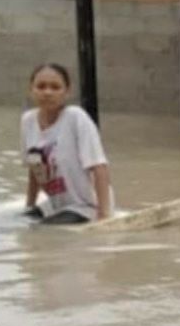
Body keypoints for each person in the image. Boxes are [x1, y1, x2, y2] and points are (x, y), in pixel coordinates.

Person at [21, 64, 113, 225]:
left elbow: (99, 167)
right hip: (56, 205)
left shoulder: (76, 118)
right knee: (18, 223)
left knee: (40, 231)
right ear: (31, 89)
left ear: (67, 91)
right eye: (41, 86)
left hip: (85, 206)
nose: (47, 92)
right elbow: (34, 169)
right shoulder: (28, 121)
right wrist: (29, 206)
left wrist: (104, 215)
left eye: (55, 87)